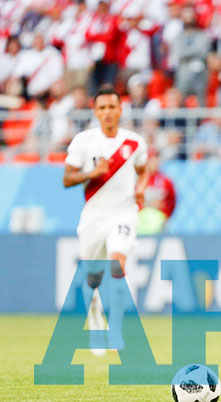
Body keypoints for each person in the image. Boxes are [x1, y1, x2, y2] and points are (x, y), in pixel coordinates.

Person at [63, 84, 149, 354]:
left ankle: (117, 329)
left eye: (112, 106)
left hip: (123, 213)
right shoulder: (83, 141)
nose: (108, 112)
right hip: (94, 216)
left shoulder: (134, 142)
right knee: (93, 277)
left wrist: (141, 188)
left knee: (117, 266)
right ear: (95, 111)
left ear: (121, 109)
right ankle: (95, 319)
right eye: (102, 108)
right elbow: (67, 179)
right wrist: (92, 173)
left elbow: (143, 171)